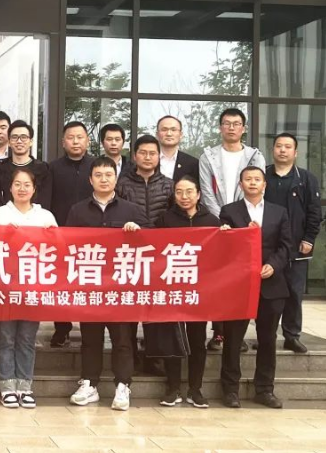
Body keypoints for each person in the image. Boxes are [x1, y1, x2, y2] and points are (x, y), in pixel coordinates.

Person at [67, 156, 147, 412]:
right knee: (90, 338)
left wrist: (138, 232)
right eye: (98, 175)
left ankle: (123, 385)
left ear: (116, 178)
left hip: (121, 287)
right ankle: (89, 384)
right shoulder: (78, 211)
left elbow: (151, 245)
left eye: (108, 175)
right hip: (90, 286)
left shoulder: (132, 211)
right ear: (90, 180)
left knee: (123, 338)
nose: (104, 179)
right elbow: (67, 245)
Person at [218, 166, 292, 409]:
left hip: (271, 284)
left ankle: (265, 389)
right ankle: (230, 390)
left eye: (257, 179)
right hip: (239, 285)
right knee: (233, 338)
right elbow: (223, 248)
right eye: (247, 179)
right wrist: (228, 234)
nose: (252, 183)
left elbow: (286, 246)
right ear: (240, 185)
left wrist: (273, 265)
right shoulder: (229, 211)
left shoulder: (279, 212)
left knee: (268, 339)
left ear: (264, 184)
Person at [0, 167, 58, 409]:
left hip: (33, 288)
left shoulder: (45, 216)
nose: (22, 189)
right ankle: (7, 385)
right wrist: (3, 236)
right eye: (17, 184)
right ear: (10, 187)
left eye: (27, 184)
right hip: (5, 287)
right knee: (5, 337)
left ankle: (25, 386)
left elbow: (58, 247)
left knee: (27, 338)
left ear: (34, 189)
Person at [199, 108, 266, 351]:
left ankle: (237, 334)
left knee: (241, 280)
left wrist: (238, 221)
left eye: (236, 123)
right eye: (226, 123)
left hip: (245, 226)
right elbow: (206, 192)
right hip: (218, 226)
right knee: (218, 280)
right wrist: (222, 220)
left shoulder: (254, 156)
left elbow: (257, 187)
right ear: (220, 127)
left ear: (243, 128)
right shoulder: (208, 156)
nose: (231, 127)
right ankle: (218, 332)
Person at [152, 176, 219, 409]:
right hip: (172, 289)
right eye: (179, 192)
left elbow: (220, 254)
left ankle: (195, 389)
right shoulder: (165, 219)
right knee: (173, 339)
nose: (184, 196)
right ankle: (172, 388)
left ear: (198, 194)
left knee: (197, 340)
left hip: (199, 291)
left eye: (189, 191)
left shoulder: (211, 220)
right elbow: (154, 250)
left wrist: (227, 233)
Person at [115, 134, 174, 376]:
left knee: (155, 307)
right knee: (129, 307)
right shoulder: (122, 184)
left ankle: (154, 358)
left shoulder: (169, 185)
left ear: (159, 157)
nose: (147, 157)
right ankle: (131, 357)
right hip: (129, 254)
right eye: (143, 153)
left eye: (152, 153)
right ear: (135, 155)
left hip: (159, 255)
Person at [266, 133, 322, 354]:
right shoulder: (263, 176)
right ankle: (266, 336)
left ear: (295, 152)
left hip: (297, 245)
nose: (282, 150)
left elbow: (314, 211)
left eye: (287, 146)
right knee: (268, 295)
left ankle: (291, 335)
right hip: (269, 246)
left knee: (294, 293)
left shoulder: (306, 178)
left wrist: (309, 238)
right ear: (273, 150)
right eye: (279, 146)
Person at [49, 121, 95, 348]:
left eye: (80, 137)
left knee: (90, 280)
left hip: (92, 235)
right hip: (61, 233)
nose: (75, 142)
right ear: (63, 142)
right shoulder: (53, 168)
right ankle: (62, 327)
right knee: (61, 282)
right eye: (70, 137)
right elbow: (47, 200)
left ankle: (90, 327)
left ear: (87, 140)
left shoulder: (96, 166)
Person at [0, 119, 53, 216]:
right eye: (14, 137)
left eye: (23, 137)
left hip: (35, 221)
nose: (19, 141)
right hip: (5, 220)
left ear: (31, 141)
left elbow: (45, 201)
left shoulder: (43, 169)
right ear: (9, 142)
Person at [156, 115, 199, 185]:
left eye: (173, 130)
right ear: (157, 134)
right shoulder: (147, 160)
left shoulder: (193, 164)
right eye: (164, 129)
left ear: (181, 135)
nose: (169, 134)